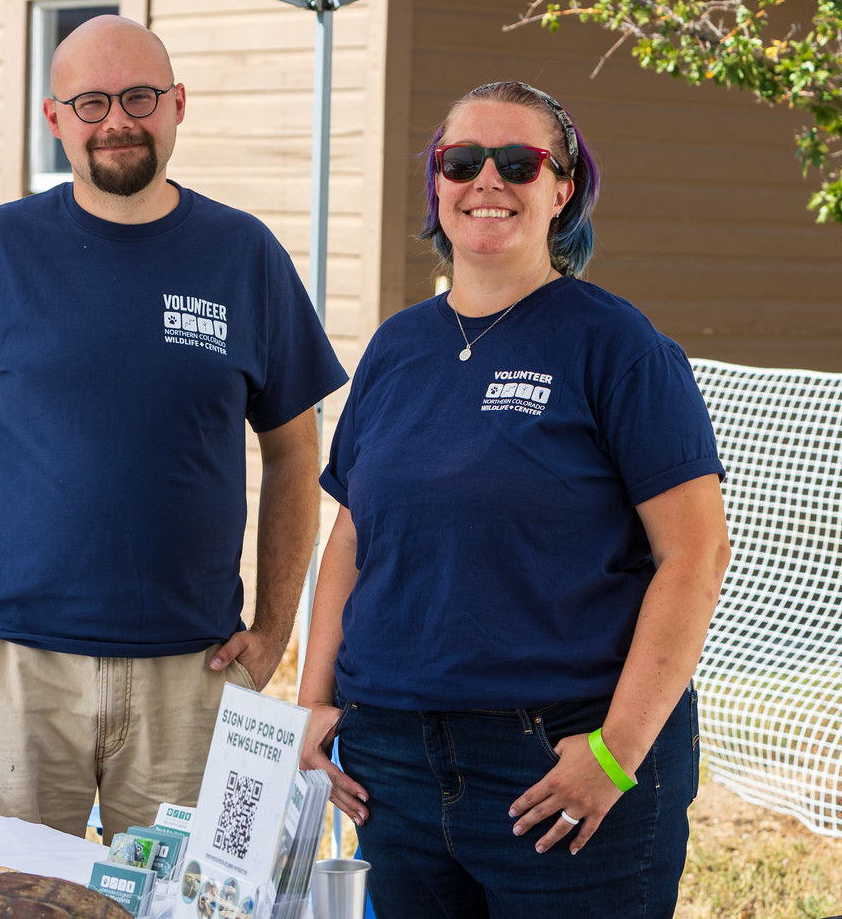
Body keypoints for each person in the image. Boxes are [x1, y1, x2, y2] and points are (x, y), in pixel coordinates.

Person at [0, 15, 346, 838]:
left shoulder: (245, 255)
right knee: (6, 899)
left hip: (193, 674)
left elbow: (294, 452)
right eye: (90, 102)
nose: (117, 120)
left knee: (184, 901)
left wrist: (274, 629)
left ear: (177, 106)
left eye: (139, 96)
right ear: (55, 118)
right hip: (13, 668)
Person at [298, 81, 731, 917]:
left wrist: (618, 753)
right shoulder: (396, 347)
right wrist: (315, 700)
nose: (486, 180)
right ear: (436, 183)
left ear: (562, 188)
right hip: (391, 763)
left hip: (559, 759)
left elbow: (696, 553)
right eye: (462, 161)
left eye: (519, 162)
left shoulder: (618, 346)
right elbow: (351, 537)